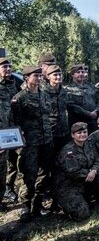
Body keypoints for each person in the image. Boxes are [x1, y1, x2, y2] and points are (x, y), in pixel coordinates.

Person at [12, 66, 53, 221]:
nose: (38, 78)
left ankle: (37, 204)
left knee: (43, 174)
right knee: (27, 174)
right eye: (34, 76)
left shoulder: (44, 95)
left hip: (46, 140)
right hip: (29, 142)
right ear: (26, 78)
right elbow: (15, 122)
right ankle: (24, 205)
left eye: (39, 76)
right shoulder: (20, 98)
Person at [54, 122, 99, 221]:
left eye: (84, 132)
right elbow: (74, 173)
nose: (83, 134)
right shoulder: (68, 151)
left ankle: (91, 197)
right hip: (69, 185)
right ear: (72, 135)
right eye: (79, 133)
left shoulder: (88, 145)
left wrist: (94, 170)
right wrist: (90, 171)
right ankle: (64, 203)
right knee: (82, 215)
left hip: (84, 180)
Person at [0, 57, 19, 203]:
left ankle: (9, 188)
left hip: (12, 130)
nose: (8, 69)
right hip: (1, 131)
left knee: (13, 161)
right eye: (4, 67)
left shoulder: (13, 84)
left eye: (9, 66)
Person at [66, 64, 99, 133]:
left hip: (93, 122)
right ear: (72, 75)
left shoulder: (91, 86)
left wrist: (97, 111)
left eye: (82, 72)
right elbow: (72, 106)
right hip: (78, 123)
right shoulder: (68, 89)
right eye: (78, 72)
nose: (81, 74)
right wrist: (88, 114)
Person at [42, 65, 69, 156]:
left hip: (64, 130)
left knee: (64, 156)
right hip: (50, 131)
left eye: (60, 74)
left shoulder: (64, 91)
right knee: (49, 157)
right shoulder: (43, 92)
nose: (58, 77)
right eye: (55, 75)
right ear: (48, 76)